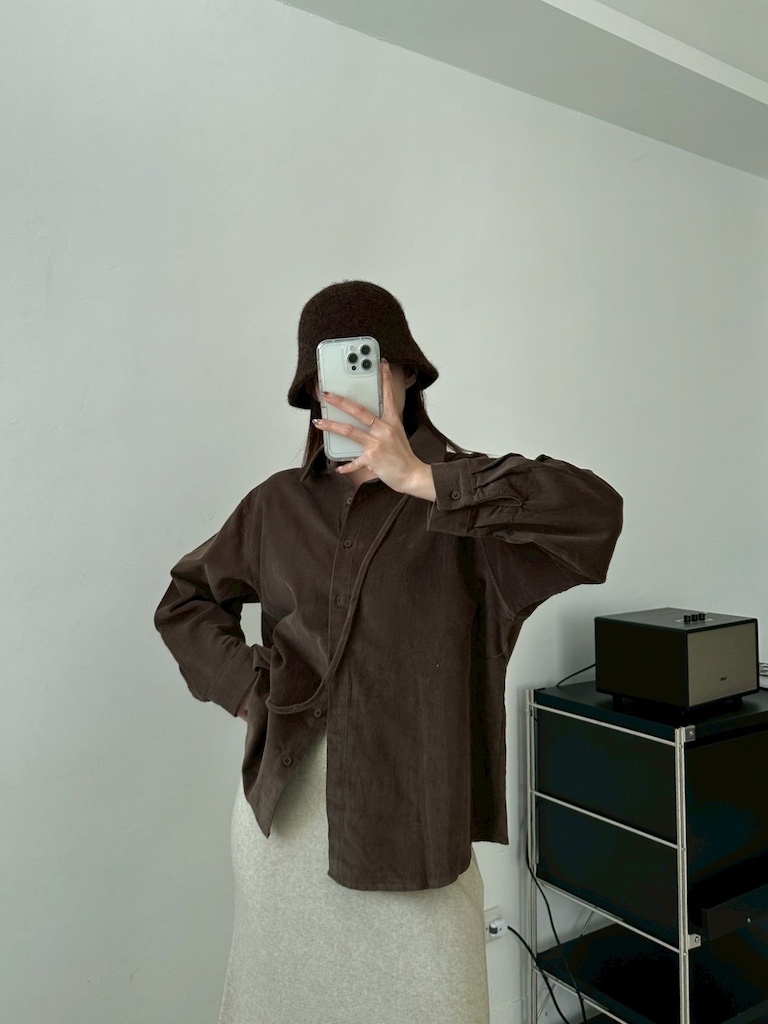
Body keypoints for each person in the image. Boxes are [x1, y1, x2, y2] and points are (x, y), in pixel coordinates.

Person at [153, 280, 623, 1024]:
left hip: (417, 842)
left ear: (405, 373)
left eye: (367, 366)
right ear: (312, 394)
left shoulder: (467, 509)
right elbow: (185, 601)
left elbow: (597, 518)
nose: (347, 391)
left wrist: (424, 479)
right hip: (287, 838)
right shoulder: (276, 505)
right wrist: (250, 691)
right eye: (328, 377)